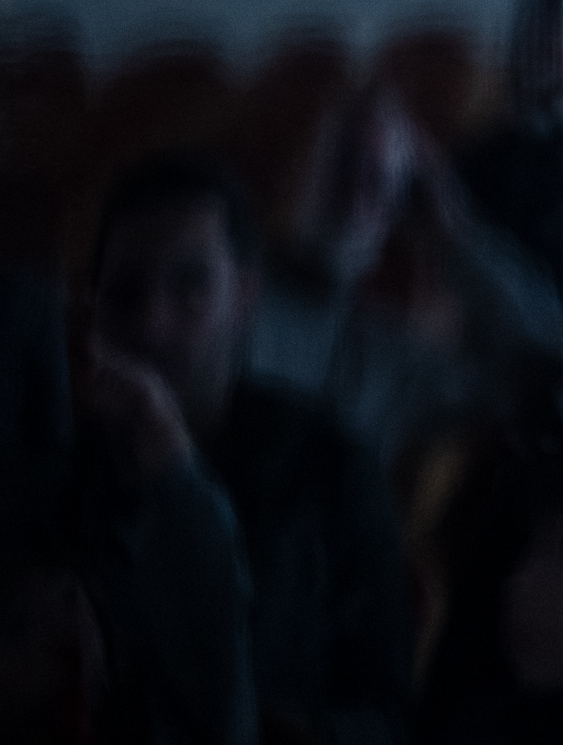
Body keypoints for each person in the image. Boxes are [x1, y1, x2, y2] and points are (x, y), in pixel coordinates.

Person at [88, 152, 411, 744]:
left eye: (189, 287)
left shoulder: (329, 467)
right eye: (125, 293)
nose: (152, 325)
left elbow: (389, 710)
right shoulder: (59, 464)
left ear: (244, 294)